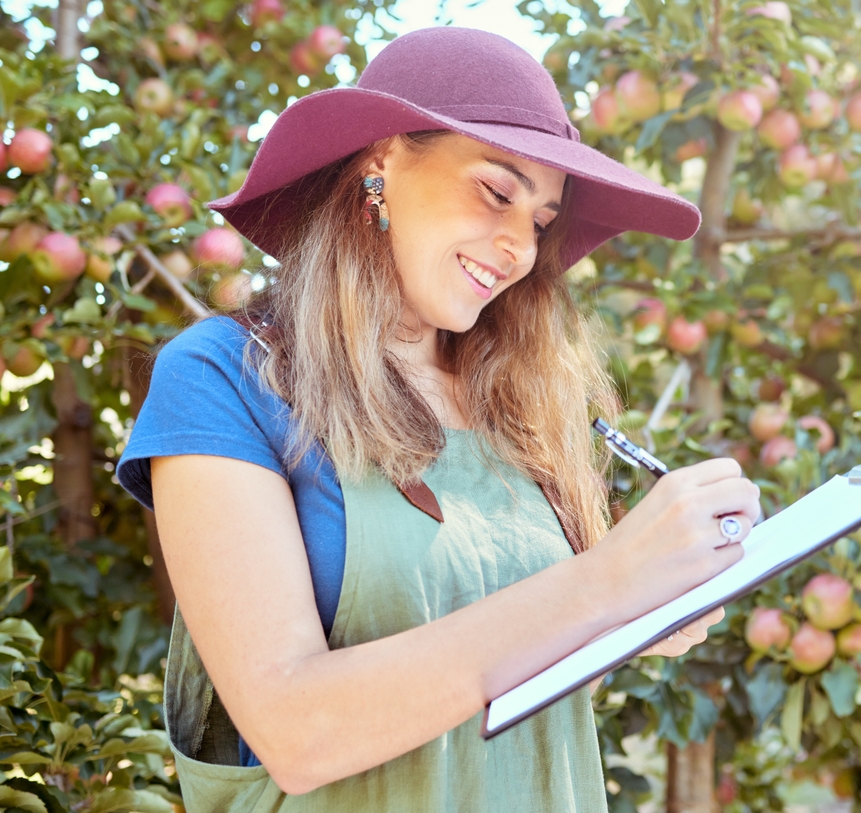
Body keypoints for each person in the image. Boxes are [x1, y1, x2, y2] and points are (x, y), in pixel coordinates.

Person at [118, 26, 761, 813]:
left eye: (542, 220)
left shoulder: (516, 402)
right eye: (497, 192)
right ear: (381, 162)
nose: (520, 246)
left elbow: (505, 664)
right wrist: (603, 583)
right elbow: (296, 729)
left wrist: (643, 607)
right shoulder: (226, 376)